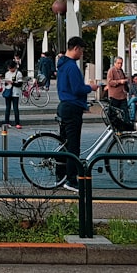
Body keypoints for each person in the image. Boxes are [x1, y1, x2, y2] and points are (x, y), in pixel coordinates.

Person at [56, 36, 99, 191]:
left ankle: (59, 175)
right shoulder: (72, 67)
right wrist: (90, 88)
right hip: (72, 107)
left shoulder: (61, 65)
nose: (82, 54)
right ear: (76, 48)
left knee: (64, 143)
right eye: (81, 50)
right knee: (73, 145)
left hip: (64, 105)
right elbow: (77, 89)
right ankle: (71, 180)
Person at [1, 61, 23, 129]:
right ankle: (6, 122)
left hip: (15, 92)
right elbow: (5, 83)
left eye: (11, 68)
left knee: (15, 108)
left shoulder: (18, 73)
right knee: (8, 107)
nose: (10, 70)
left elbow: (20, 84)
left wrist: (12, 83)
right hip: (8, 91)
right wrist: (6, 83)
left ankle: (17, 123)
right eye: (9, 68)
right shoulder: (7, 73)